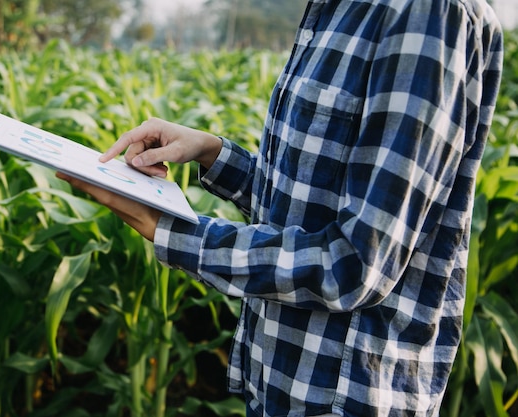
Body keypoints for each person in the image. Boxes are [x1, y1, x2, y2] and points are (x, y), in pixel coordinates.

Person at [56, 0, 504, 414]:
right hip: (278, 382)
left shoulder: (427, 14)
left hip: (345, 398)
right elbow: (309, 208)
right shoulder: (336, 8)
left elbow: (355, 264)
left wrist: (170, 230)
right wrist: (212, 152)